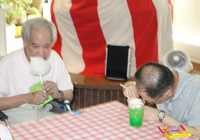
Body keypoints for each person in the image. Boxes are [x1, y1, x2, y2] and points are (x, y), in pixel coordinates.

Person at [0, 18, 73, 126]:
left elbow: (69, 94)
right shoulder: (7, 64)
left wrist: (58, 94)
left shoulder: (55, 58)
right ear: (25, 41)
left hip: (47, 111)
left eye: (46, 46)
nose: (41, 52)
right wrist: (27, 98)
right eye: (36, 46)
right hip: (14, 116)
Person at [123, 62, 200, 139]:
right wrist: (128, 86)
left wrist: (160, 116)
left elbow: (198, 134)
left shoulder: (196, 90)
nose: (144, 100)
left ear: (168, 93)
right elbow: (132, 83)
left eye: (150, 102)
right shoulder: (159, 75)